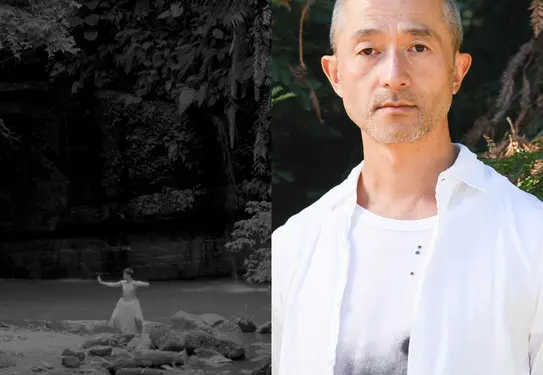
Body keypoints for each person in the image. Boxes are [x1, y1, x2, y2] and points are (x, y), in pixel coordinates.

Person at [271, 0, 543, 374]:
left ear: (456, 71)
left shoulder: (532, 237)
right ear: (336, 75)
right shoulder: (294, 247)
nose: (394, 75)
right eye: (368, 50)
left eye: (419, 47)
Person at [97, 268, 149, 337]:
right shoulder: (122, 282)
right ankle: (120, 334)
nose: (123, 276)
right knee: (116, 318)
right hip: (122, 303)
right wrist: (101, 282)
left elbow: (147, 284)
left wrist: (137, 284)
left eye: (124, 274)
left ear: (129, 275)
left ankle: (140, 334)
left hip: (132, 303)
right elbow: (113, 284)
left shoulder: (134, 282)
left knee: (138, 319)